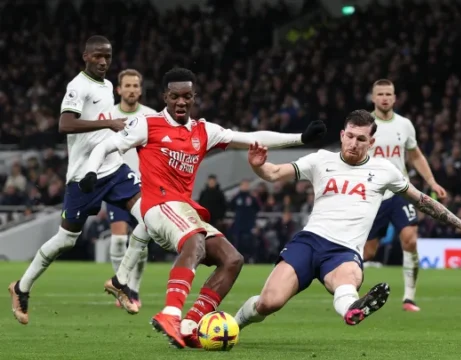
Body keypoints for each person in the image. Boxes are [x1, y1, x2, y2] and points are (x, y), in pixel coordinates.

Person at [79, 67, 327, 348]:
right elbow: (105, 146)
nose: (181, 102)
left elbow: (251, 136)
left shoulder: (204, 131)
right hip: (158, 206)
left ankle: (190, 325)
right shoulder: (148, 124)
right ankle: (171, 313)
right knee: (194, 239)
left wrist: (300, 139)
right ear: (165, 97)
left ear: (194, 97)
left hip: (184, 211)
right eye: (175, 96)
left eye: (187, 96)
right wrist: (90, 172)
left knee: (232, 259)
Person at [234, 110, 461, 330]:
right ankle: (233, 326)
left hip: (344, 251)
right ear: (341, 135)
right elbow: (275, 172)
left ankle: (353, 310)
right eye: (349, 136)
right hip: (310, 241)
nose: (353, 143)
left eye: (361, 138)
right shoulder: (321, 160)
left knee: (348, 280)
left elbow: (421, 199)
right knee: (269, 302)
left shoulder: (384, 171)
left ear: (371, 141)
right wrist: (258, 166)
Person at [8, 35, 147, 325]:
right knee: (64, 241)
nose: (103, 61)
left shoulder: (108, 85)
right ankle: (21, 287)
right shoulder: (77, 86)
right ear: (85, 56)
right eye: (97, 56)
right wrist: (108, 123)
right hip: (84, 175)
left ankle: (121, 282)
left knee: (149, 218)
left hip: (114, 168)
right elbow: (65, 124)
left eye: (107, 56)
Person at [363, 79, 448, 312]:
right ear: (373, 98)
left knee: (410, 239)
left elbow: (416, 155)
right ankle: (346, 288)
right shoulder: (363, 124)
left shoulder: (405, 125)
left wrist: (431, 182)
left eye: (388, 94)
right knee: (367, 252)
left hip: (400, 190)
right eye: (380, 94)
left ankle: (409, 298)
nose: (384, 98)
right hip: (372, 194)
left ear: (395, 97)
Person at [109, 69, 157, 309]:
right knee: (118, 241)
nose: (131, 90)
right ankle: (122, 287)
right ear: (119, 89)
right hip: (114, 184)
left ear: (140, 89)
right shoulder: (108, 116)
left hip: (144, 188)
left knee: (141, 239)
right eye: (127, 86)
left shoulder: (151, 116)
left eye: (135, 86)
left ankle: (134, 288)